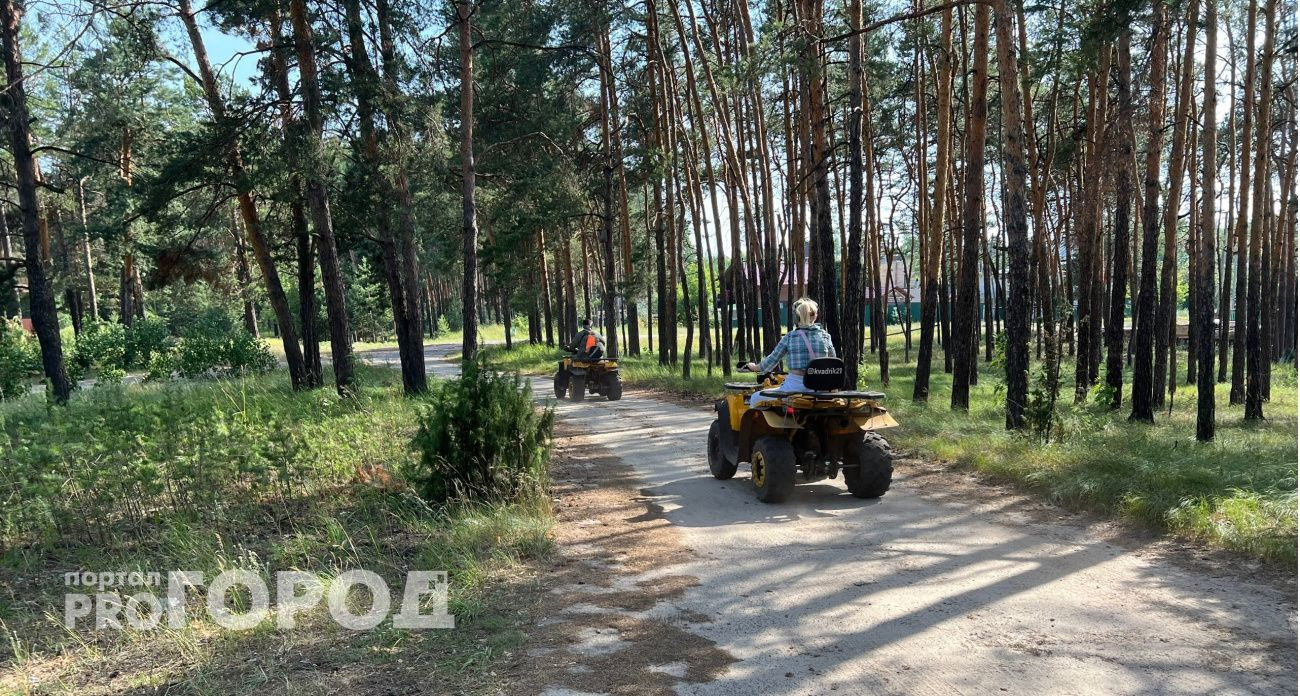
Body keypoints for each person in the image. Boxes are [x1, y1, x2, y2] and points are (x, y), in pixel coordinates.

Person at [743, 298, 836, 406]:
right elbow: (833, 362)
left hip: (794, 387)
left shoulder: (790, 337)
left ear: (796, 317)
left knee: (755, 397)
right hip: (820, 388)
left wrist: (753, 367)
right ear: (815, 316)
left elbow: (770, 362)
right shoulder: (825, 336)